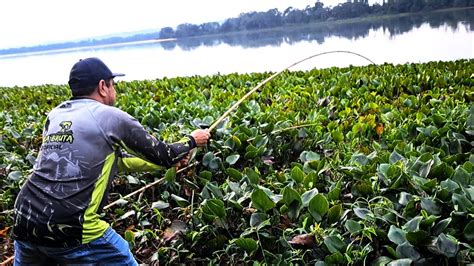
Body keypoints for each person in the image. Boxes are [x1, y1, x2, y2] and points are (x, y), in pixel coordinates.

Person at [11, 57, 211, 265]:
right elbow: (164, 153)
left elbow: (121, 160)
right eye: (113, 84)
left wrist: (169, 163)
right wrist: (192, 141)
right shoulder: (111, 117)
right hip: (73, 225)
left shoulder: (56, 115)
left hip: (24, 218)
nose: (114, 90)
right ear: (102, 87)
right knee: (121, 257)